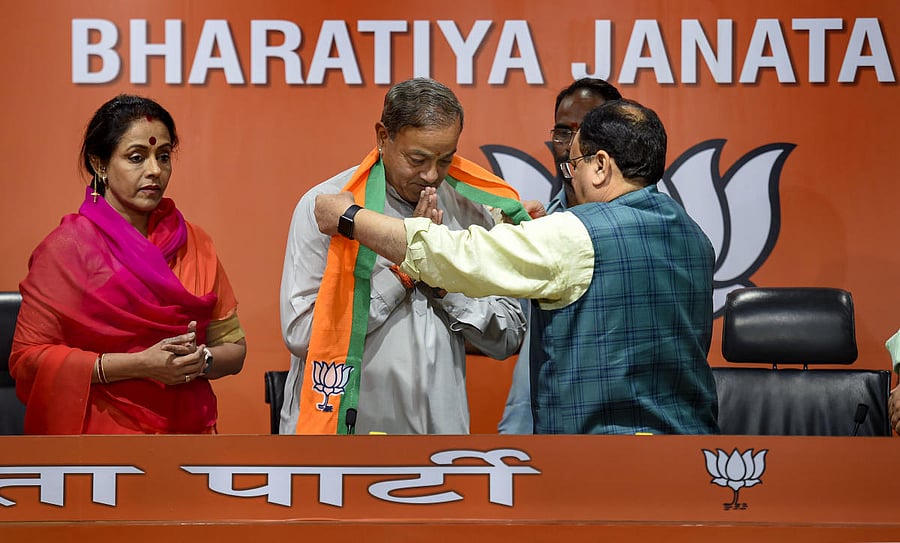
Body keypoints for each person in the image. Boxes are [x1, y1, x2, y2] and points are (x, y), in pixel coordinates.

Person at [313, 99, 719, 435]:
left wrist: (349, 216)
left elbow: (451, 255)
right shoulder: (695, 238)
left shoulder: (574, 236)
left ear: (600, 165)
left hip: (603, 465)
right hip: (689, 456)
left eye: (572, 164)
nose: (570, 176)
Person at [280, 78, 527, 435]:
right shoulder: (331, 208)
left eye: (445, 159)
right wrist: (405, 270)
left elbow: (509, 335)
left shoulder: (474, 211)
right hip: (343, 439)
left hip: (440, 442)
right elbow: (302, 333)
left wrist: (442, 280)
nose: (431, 175)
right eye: (417, 159)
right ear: (383, 137)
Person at [9, 94, 247, 434]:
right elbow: (27, 359)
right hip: (99, 446)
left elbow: (234, 350)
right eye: (137, 157)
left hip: (189, 438)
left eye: (163, 156)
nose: (155, 170)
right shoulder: (67, 249)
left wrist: (200, 361)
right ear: (99, 163)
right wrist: (138, 365)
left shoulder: (195, 242)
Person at [499, 78, 622, 434]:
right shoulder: (539, 227)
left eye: (585, 132)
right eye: (562, 132)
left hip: (616, 432)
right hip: (534, 427)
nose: (571, 147)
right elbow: (508, 329)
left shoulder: (644, 231)